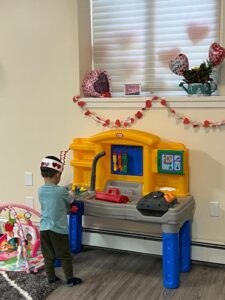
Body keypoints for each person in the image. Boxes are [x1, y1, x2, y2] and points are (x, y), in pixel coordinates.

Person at [38, 155, 82, 286]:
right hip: (58, 229)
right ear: (57, 175)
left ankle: (51, 278)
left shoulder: (40, 190)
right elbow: (71, 200)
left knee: (48, 256)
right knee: (65, 255)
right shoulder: (61, 191)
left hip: (44, 228)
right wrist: (73, 194)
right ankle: (70, 279)